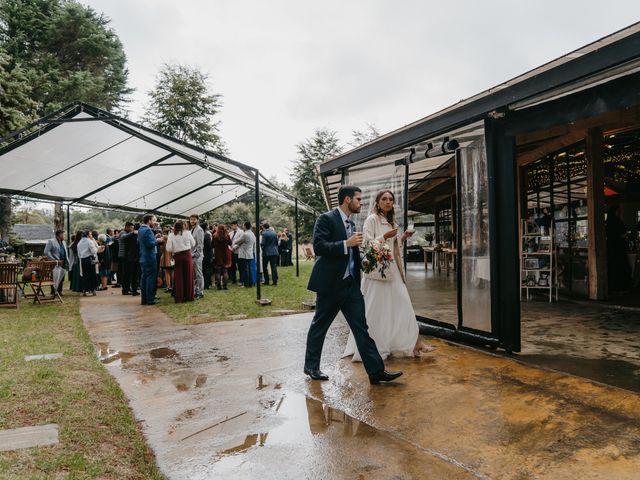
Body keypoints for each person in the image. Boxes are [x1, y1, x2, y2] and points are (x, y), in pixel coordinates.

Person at [304, 185, 402, 385]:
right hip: (330, 285)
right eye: (358, 199)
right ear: (347, 199)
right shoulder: (326, 218)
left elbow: (357, 253)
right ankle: (311, 366)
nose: (361, 203)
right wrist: (345, 244)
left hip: (350, 286)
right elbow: (320, 246)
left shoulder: (350, 223)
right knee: (320, 326)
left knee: (361, 328)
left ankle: (376, 371)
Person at [343, 189, 435, 361]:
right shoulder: (372, 220)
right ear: (377, 202)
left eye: (390, 199)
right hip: (378, 274)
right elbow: (367, 245)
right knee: (377, 311)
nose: (387, 202)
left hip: (393, 271)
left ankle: (414, 342)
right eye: (384, 199)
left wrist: (403, 237)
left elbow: (393, 248)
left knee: (403, 306)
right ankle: (373, 345)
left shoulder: (392, 221)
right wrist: (384, 236)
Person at [166, 221, 196, 303]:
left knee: (179, 277)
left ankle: (180, 297)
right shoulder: (188, 233)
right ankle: (189, 296)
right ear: (183, 226)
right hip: (187, 255)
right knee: (189, 275)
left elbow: (168, 248)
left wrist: (175, 249)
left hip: (178, 256)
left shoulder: (171, 235)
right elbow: (193, 244)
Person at [606, 205, 631, 292]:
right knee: (618, 266)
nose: (618, 213)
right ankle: (619, 287)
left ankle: (615, 287)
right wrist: (622, 236)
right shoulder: (615, 222)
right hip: (617, 248)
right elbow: (616, 234)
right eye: (617, 211)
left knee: (615, 267)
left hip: (613, 248)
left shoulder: (609, 222)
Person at [138, 214, 159, 305]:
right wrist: (157, 240)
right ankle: (150, 300)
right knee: (151, 279)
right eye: (154, 220)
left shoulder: (140, 229)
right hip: (150, 257)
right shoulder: (148, 230)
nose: (155, 222)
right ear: (149, 221)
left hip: (143, 257)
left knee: (144, 279)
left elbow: (139, 242)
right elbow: (150, 244)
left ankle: (144, 299)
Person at [44, 229, 68, 295]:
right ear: (59, 235)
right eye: (62, 234)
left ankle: (59, 291)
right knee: (54, 277)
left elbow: (65, 251)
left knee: (61, 277)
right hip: (55, 262)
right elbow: (46, 251)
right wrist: (53, 259)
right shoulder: (51, 241)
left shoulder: (63, 242)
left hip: (62, 262)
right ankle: (54, 291)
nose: (64, 236)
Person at [234, 221, 256, 288]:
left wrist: (238, 239)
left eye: (243, 225)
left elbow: (236, 241)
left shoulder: (245, 234)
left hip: (244, 254)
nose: (243, 227)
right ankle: (250, 283)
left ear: (245, 226)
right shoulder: (252, 233)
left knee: (245, 270)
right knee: (249, 269)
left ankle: (246, 284)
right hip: (250, 253)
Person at [77, 231, 98, 296]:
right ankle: (93, 290)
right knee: (92, 274)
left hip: (83, 260)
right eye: (90, 234)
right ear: (87, 235)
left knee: (85, 275)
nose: (91, 235)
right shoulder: (89, 241)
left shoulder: (79, 243)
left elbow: (79, 254)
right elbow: (94, 251)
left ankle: (84, 290)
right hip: (89, 259)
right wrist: (97, 249)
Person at [122, 222, 139, 296]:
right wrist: (133, 232)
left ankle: (128, 289)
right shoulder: (124, 233)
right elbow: (123, 237)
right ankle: (126, 289)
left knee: (129, 274)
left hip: (128, 256)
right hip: (127, 257)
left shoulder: (131, 235)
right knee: (127, 274)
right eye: (131, 228)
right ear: (127, 227)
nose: (133, 229)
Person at [212, 224, 231, 290]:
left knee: (218, 271)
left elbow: (212, 245)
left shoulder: (214, 236)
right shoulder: (227, 235)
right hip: (225, 254)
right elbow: (230, 243)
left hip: (217, 254)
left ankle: (219, 286)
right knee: (225, 271)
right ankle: (225, 286)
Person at [190, 214, 205, 299]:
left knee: (199, 274)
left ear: (197, 220)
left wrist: (196, 255)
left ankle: (200, 292)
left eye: (194, 219)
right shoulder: (192, 229)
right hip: (192, 255)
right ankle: (196, 290)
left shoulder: (199, 230)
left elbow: (200, 245)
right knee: (195, 275)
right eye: (191, 219)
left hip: (197, 256)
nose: (192, 221)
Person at [159, 225, 174, 292]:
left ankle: (169, 286)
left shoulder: (165, 237)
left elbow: (161, 248)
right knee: (170, 271)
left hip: (168, 256)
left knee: (168, 271)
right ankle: (171, 286)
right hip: (169, 256)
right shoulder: (171, 237)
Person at [203, 222, 214, 290]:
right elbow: (210, 246)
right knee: (208, 269)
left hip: (203, 253)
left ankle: (205, 283)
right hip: (207, 254)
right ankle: (207, 284)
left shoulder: (202, 234)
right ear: (206, 227)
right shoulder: (207, 235)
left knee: (204, 269)